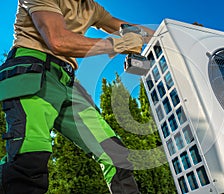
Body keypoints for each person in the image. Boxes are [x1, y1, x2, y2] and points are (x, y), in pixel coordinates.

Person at [0, 0, 154, 193]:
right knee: (30, 156)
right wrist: (117, 44)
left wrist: (175, 32)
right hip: (33, 69)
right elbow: (57, 41)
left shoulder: (91, 7)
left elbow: (129, 28)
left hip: (68, 81)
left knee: (116, 156)